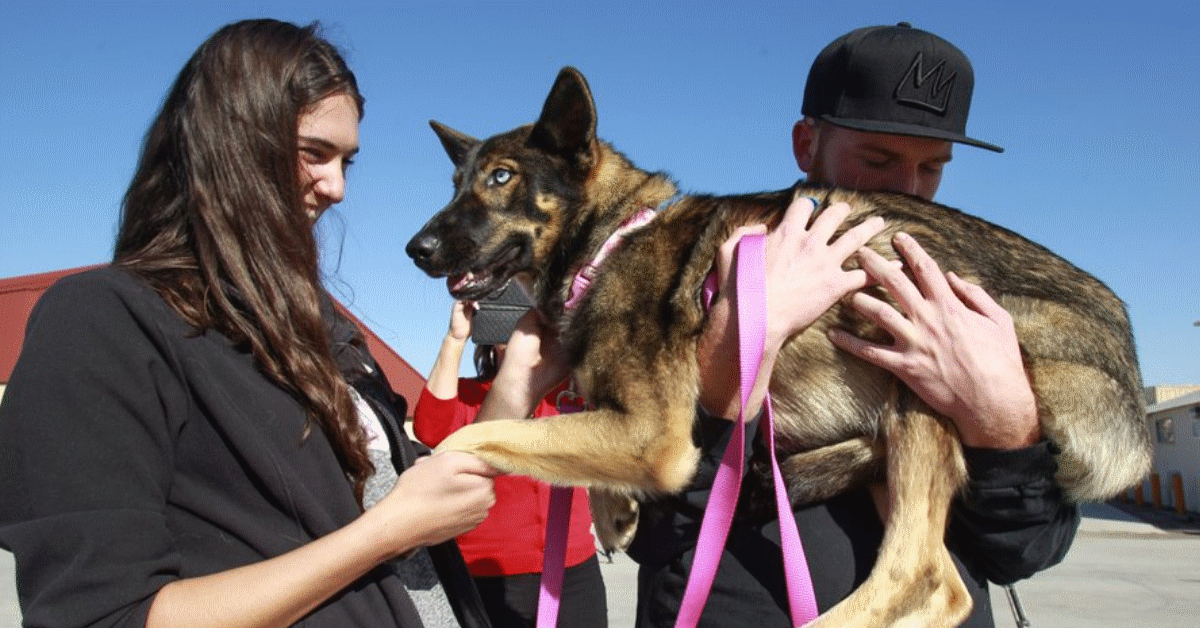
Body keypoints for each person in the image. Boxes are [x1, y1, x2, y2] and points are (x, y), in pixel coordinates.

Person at [0, 19, 555, 628]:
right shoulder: (103, 322)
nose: (338, 187)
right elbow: (106, 616)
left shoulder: (324, 332)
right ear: (230, 141)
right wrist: (386, 532)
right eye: (314, 153)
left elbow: (422, 493)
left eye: (347, 161)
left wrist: (521, 377)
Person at [627, 23, 1080, 628]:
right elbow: (649, 525)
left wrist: (1005, 425)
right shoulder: (709, 263)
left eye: (932, 169)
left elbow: (1025, 551)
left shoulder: (969, 298)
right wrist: (737, 338)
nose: (909, 191)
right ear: (805, 146)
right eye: (880, 159)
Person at [412, 301, 607, 628]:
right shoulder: (469, 396)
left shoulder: (569, 396)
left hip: (574, 570)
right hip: (490, 575)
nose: (522, 338)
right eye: (509, 330)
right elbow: (430, 428)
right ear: (492, 341)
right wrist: (456, 338)